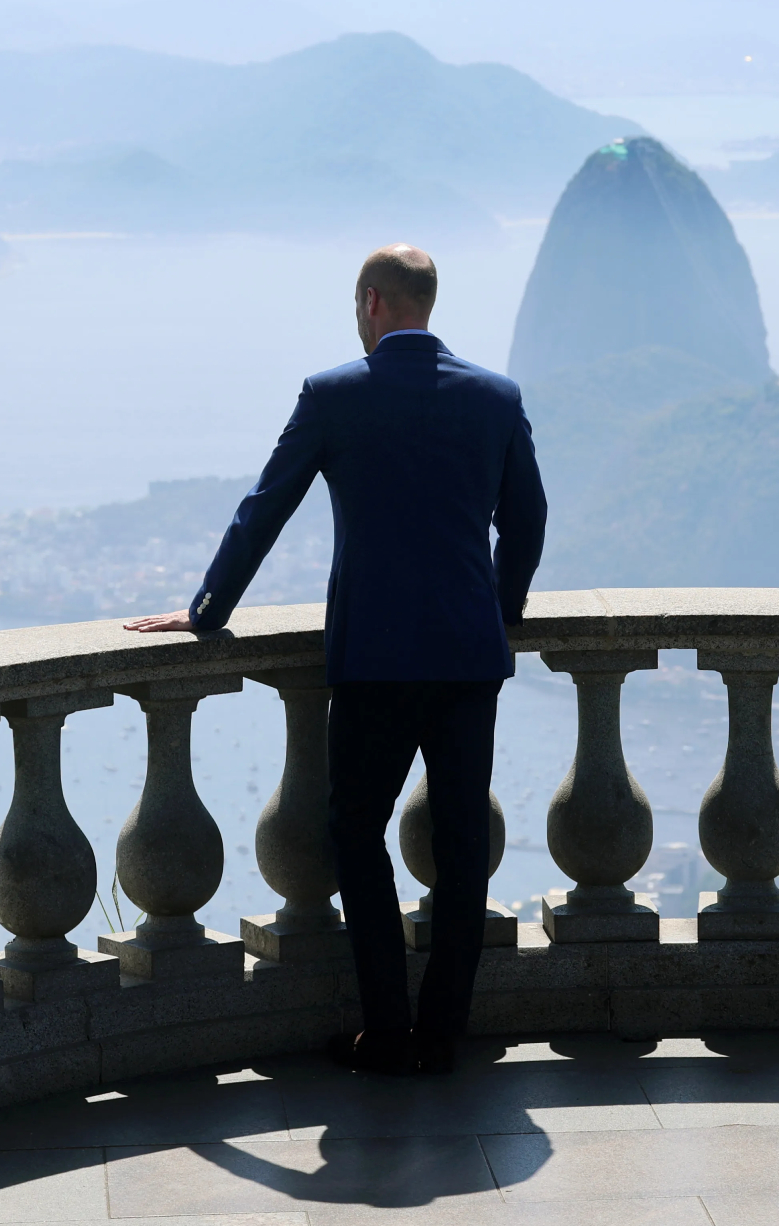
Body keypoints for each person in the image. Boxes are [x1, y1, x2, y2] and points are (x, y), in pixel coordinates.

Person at [125, 243, 547, 1076]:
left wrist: (208, 612)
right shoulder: (496, 398)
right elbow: (526, 523)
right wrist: (494, 618)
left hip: (376, 658)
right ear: (428, 302)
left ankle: (386, 1031)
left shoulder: (334, 395)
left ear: (370, 303)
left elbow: (264, 509)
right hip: (469, 659)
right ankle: (443, 1033)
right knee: (464, 848)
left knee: (357, 831)